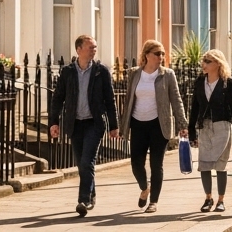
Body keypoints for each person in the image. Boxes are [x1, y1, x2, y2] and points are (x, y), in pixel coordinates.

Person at [47, 35, 119, 217]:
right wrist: (54, 122)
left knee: (87, 161)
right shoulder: (67, 72)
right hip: (74, 124)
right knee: (81, 164)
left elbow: (110, 100)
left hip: (94, 123)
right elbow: (57, 99)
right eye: (90, 47)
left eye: (95, 47)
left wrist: (114, 125)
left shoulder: (101, 71)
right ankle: (91, 193)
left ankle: (84, 200)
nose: (94, 50)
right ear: (79, 49)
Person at [121, 40, 188, 212]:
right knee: (136, 163)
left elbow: (176, 100)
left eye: (163, 54)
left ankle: (153, 201)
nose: (161, 57)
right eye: (158, 53)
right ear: (147, 55)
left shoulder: (167, 74)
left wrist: (182, 123)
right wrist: (123, 126)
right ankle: (145, 188)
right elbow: (128, 100)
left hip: (159, 124)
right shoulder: (134, 74)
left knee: (156, 164)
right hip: (138, 123)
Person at [188, 49, 232, 213]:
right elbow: (194, 108)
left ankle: (221, 200)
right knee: (204, 164)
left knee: (220, 165)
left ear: (217, 64)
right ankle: (208, 198)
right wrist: (191, 131)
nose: (203, 64)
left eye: (207, 61)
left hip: (222, 126)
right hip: (204, 127)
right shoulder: (200, 81)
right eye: (203, 60)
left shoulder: (227, 83)